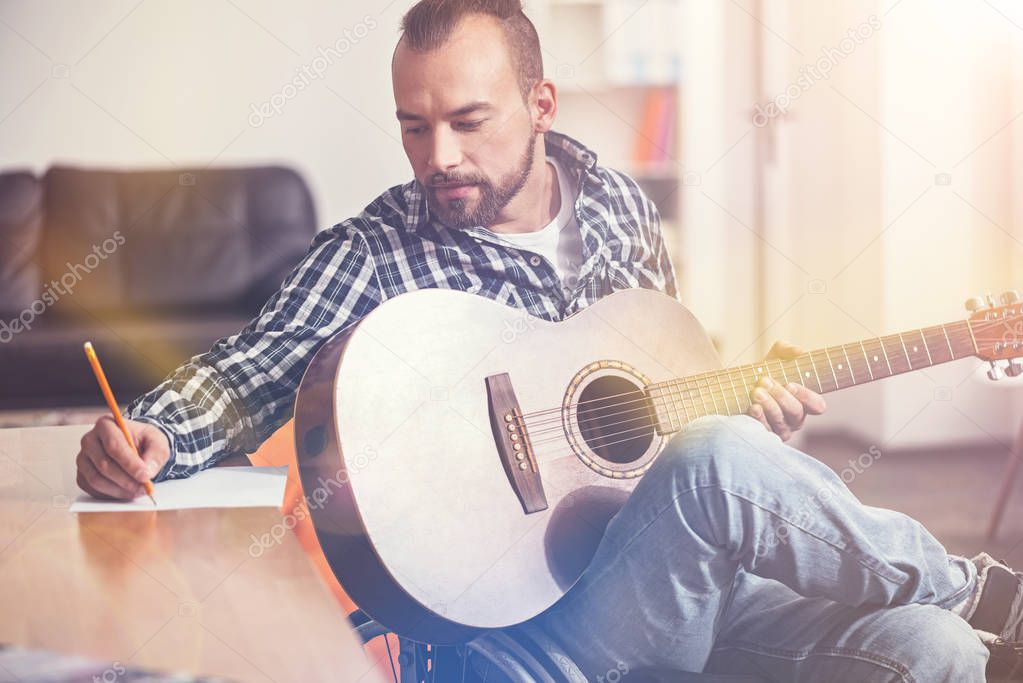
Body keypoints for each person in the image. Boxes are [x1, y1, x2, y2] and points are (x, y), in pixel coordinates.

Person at [75, 0, 1022, 679]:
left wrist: (741, 408)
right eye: (413, 127)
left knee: (927, 649)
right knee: (728, 464)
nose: (437, 156)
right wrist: (157, 431)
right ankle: (984, 590)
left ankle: (953, 611)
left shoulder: (617, 207)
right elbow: (249, 369)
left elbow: (665, 402)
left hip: (678, 584)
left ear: (541, 104)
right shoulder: (378, 249)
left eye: (467, 121)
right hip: (527, 631)